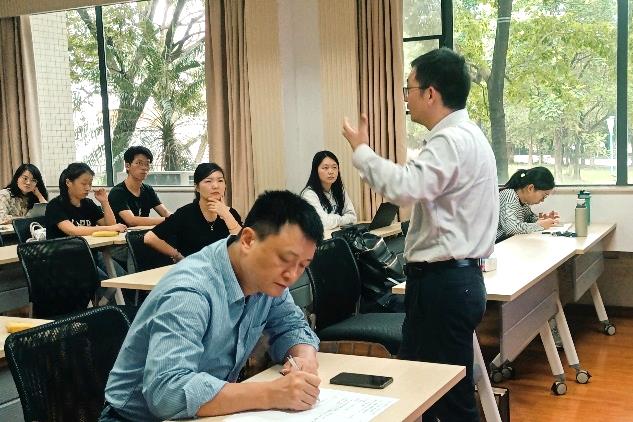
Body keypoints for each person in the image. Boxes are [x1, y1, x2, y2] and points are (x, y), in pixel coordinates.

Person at [342, 47, 498, 422]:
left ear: (430, 93)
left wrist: (361, 151)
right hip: (453, 281)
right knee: (423, 392)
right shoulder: (469, 136)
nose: (405, 98)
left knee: (446, 398)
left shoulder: (450, 140)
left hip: (443, 285)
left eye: (408, 88)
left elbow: (404, 188)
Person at [101, 190, 323, 421]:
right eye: (286, 259)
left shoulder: (267, 280)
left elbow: (291, 326)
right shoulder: (190, 291)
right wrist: (270, 393)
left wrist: (304, 358)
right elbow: (167, 392)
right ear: (248, 240)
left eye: (303, 265)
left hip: (205, 414)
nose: (292, 275)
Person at [144, 163, 242, 262]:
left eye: (220, 180)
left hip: (223, 268)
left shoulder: (231, 213)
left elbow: (244, 246)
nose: (215, 186)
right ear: (197, 187)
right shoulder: (185, 214)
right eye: (208, 181)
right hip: (193, 269)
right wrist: (177, 256)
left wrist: (226, 215)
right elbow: (150, 238)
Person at [46, 163, 127, 239]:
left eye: (90, 184)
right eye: (84, 184)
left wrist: (105, 202)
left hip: (88, 247)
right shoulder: (55, 205)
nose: (88, 188)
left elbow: (111, 225)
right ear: (68, 182)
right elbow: (73, 231)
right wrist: (109, 228)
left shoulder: (88, 204)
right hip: (62, 249)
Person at [108, 146, 170, 227]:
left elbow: (165, 213)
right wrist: (168, 220)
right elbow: (131, 221)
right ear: (127, 166)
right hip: (124, 233)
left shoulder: (148, 189)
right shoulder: (117, 192)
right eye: (139, 163)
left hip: (145, 233)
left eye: (147, 164)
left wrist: (178, 218)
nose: (144, 168)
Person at [496, 166, 558, 242]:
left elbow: (529, 218)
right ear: (530, 188)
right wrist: (540, 225)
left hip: (508, 240)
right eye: (544, 196)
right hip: (497, 242)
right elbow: (511, 229)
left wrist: (543, 219)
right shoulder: (509, 195)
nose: (542, 200)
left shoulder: (523, 202)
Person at [300, 150, 357, 230]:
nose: (331, 172)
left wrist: (333, 220)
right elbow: (323, 223)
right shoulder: (309, 194)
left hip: (336, 235)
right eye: (325, 168)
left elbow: (353, 217)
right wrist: (341, 219)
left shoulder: (340, 190)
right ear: (316, 171)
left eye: (334, 167)